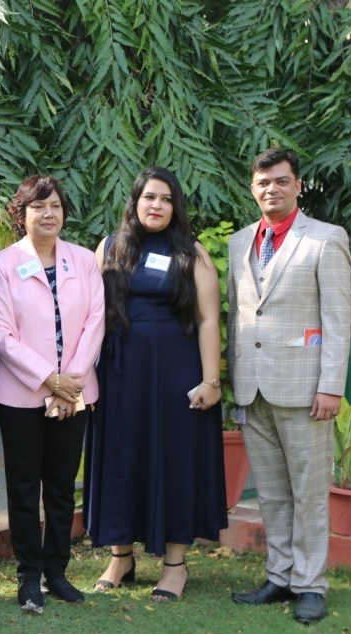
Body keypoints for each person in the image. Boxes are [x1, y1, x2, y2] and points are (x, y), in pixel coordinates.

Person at [85, 166, 227, 602]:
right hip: (119, 373)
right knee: (120, 457)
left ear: (175, 206)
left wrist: (211, 381)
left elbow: (208, 319)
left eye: (166, 199)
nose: (157, 205)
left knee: (174, 460)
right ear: (135, 202)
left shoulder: (192, 253)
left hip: (176, 374)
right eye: (149, 197)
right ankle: (120, 558)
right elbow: (89, 314)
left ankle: (175, 566)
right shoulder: (109, 247)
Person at [226, 148, 351, 624]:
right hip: (253, 389)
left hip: (305, 390)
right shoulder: (240, 242)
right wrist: (235, 382)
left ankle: (311, 585)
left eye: (281, 181)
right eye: (263, 182)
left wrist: (331, 385)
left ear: (298, 185)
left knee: (309, 492)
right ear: (252, 188)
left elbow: (337, 318)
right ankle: (279, 577)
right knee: (273, 492)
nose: (271, 189)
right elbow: (239, 316)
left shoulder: (325, 238)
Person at [0, 176, 105, 613]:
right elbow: (1, 333)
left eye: (55, 206)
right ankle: (28, 577)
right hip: (20, 395)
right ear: (22, 215)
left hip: (76, 393)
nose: (48, 214)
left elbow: (96, 321)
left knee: (60, 486)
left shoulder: (84, 261)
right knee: (23, 487)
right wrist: (50, 380)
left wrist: (71, 381)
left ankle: (56, 572)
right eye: (38, 207)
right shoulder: (3, 264)